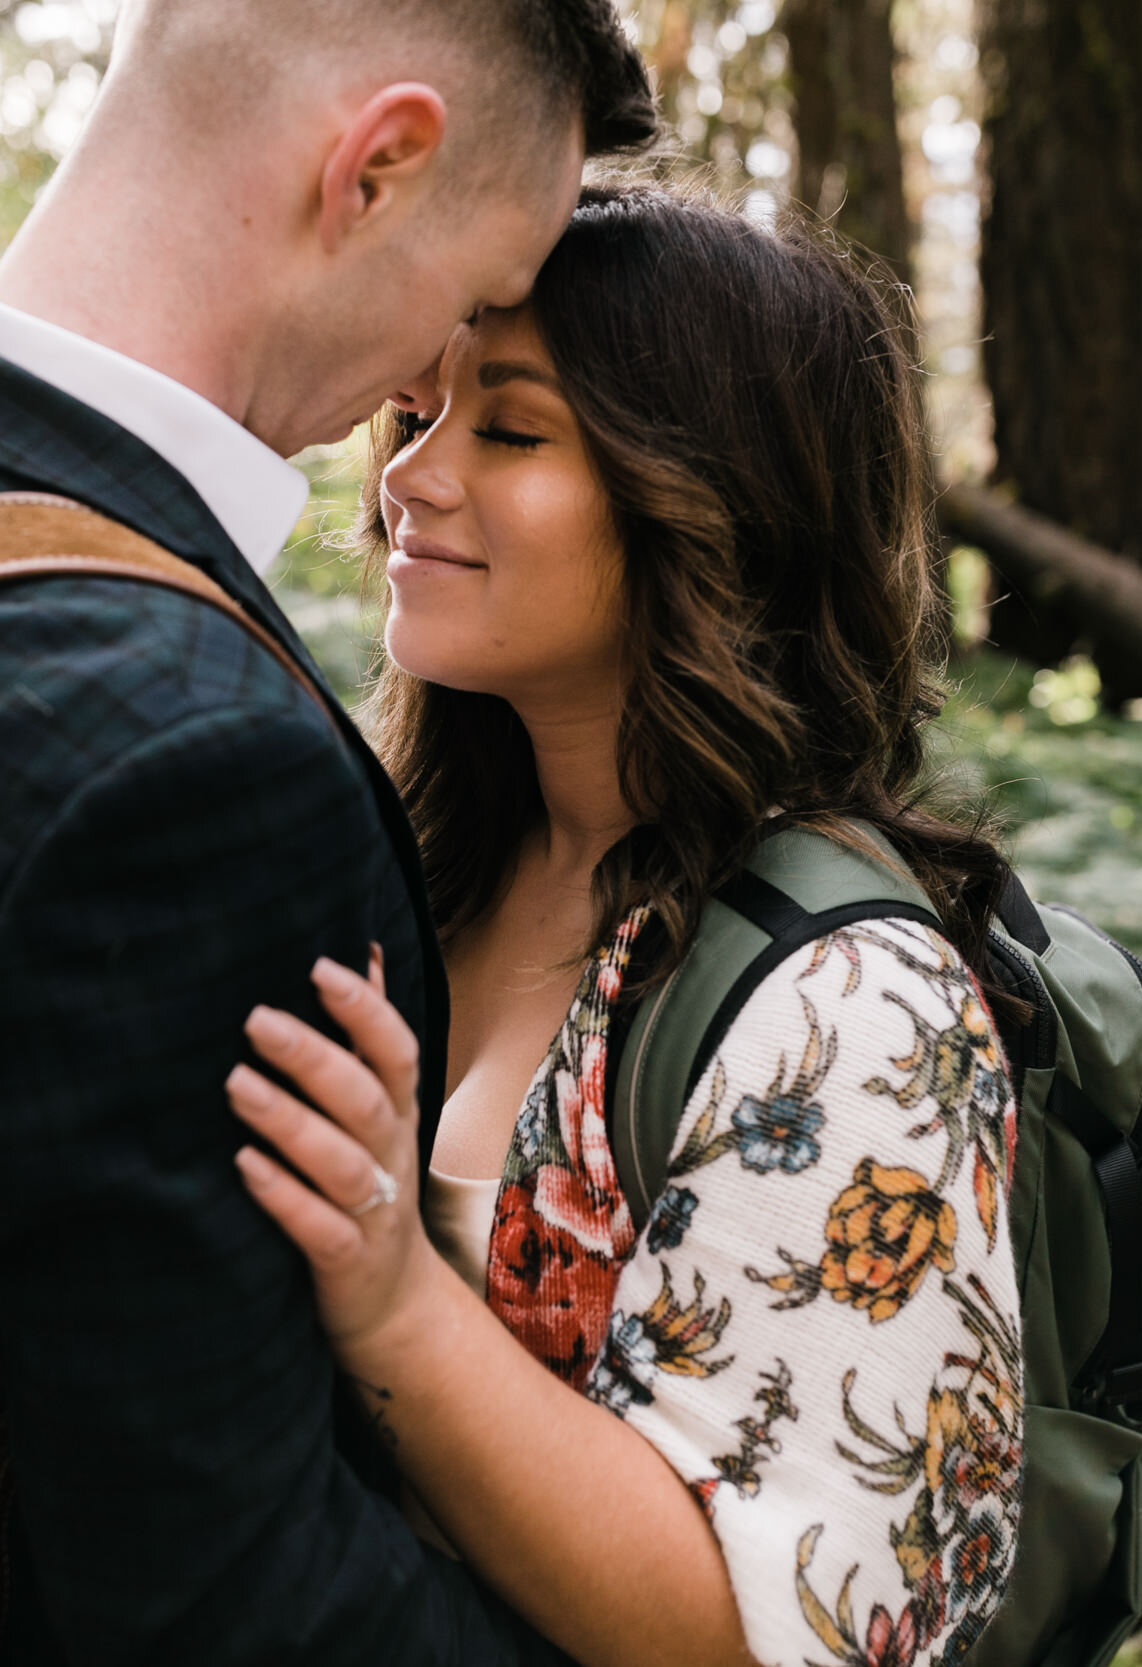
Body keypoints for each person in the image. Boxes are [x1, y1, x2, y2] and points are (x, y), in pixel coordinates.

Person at [0, 3, 654, 1661]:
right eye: (472, 297)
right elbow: (217, 1608)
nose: (421, 380)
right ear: (376, 167)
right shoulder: (187, 770)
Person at [225, 184, 1031, 1667]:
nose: (413, 475)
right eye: (423, 413)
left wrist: (400, 1299)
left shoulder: (851, 1008)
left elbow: (772, 1634)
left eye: (511, 431)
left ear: (712, 503)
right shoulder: (415, 853)